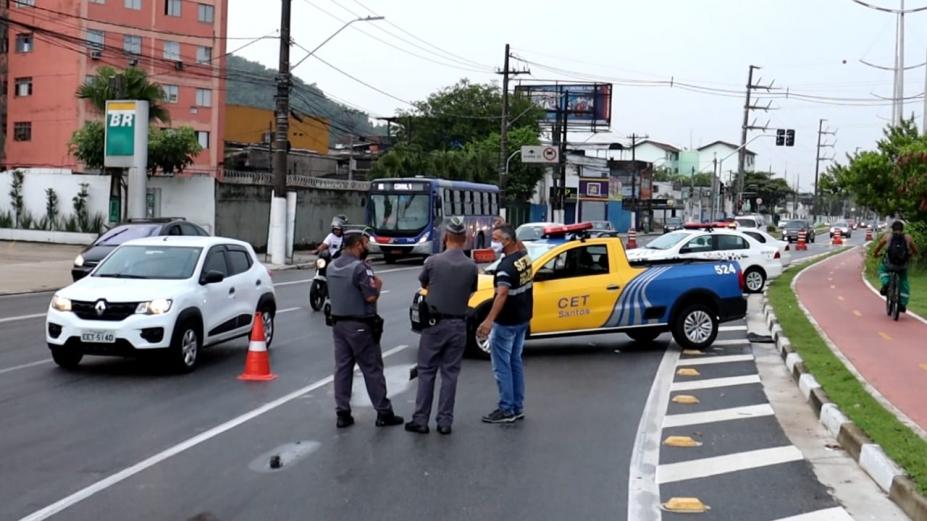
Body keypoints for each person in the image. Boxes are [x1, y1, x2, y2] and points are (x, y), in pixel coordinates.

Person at [405, 216, 478, 436]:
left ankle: (420, 420)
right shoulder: (471, 266)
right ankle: (445, 422)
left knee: (427, 371)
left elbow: (424, 283)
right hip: (458, 325)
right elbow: (472, 290)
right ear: (464, 240)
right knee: (450, 374)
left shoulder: (433, 262)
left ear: (446, 237)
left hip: (434, 325)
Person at [327, 229, 404, 428]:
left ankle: (342, 413)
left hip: (338, 325)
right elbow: (370, 296)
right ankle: (383, 412)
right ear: (358, 244)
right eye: (365, 243)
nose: (367, 247)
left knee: (343, 369)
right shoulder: (360, 268)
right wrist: (378, 284)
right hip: (361, 326)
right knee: (372, 369)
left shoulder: (332, 266)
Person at [477, 223, 533, 424]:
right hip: (522, 319)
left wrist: (489, 320)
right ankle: (517, 407)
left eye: (497, 239)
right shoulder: (523, 258)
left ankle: (507, 409)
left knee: (502, 366)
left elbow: (501, 294)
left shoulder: (505, 268)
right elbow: (523, 246)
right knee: (515, 362)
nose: (493, 243)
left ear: (508, 241)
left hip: (507, 322)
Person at [873, 220, 919, 313]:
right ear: (902, 229)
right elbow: (915, 251)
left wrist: (876, 254)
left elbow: (878, 248)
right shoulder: (908, 237)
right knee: (904, 281)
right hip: (902, 266)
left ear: (892, 229)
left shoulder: (887, 236)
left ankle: (886, 283)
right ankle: (902, 304)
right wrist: (911, 255)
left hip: (889, 265)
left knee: (882, 271)